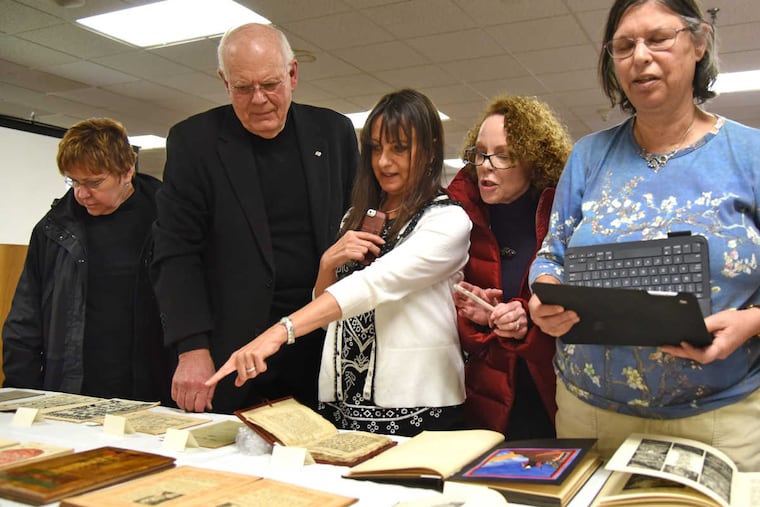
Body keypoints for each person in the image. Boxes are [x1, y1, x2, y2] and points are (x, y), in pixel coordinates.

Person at [528, 0, 760, 471]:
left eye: (658, 38)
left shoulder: (751, 154)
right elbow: (551, 255)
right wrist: (543, 296)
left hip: (717, 417)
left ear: (698, 44)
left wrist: (751, 322)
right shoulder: (588, 156)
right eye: (624, 45)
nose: (640, 56)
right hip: (587, 413)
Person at [206, 89, 472, 436]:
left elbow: (375, 284)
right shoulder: (356, 216)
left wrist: (278, 332)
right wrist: (326, 264)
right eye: (376, 148)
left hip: (418, 403)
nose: (384, 162)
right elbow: (326, 314)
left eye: (399, 148)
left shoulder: (447, 221)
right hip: (345, 404)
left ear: (431, 147)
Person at [151, 23, 358, 414]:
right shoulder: (194, 143)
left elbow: (355, 231)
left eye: (270, 84)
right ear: (224, 82)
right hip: (231, 349)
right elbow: (176, 253)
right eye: (243, 88)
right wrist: (191, 347)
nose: (259, 99)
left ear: (293, 74)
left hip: (317, 346)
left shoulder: (333, 133)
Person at [2, 118, 169, 403]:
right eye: (73, 181)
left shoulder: (170, 220)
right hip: (74, 390)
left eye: (94, 182)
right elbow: (24, 321)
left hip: (156, 390)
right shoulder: (53, 230)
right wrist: (21, 395)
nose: (81, 194)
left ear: (127, 171)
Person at [447, 96, 572, 439]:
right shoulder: (459, 219)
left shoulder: (560, 220)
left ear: (534, 161)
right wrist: (476, 317)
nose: (486, 165)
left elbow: (580, 319)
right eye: (481, 152)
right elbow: (453, 335)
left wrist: (525, 323)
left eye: (503, 155)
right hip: (484, 405)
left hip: (553, 398)